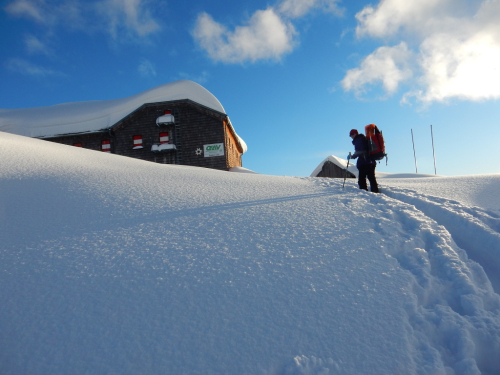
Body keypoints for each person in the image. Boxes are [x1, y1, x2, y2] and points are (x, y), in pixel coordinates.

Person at [348, 129, 379, 193]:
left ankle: (364, 192)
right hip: (371, 161)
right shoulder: (364, 139)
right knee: (371, 178)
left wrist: (352, 156)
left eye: (352, 134)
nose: (351, 136)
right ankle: (375, 191)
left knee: (362, 179)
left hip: (364, 162)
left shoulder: (358, 139)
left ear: (356, 134)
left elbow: (360, 151)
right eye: (350, 135)